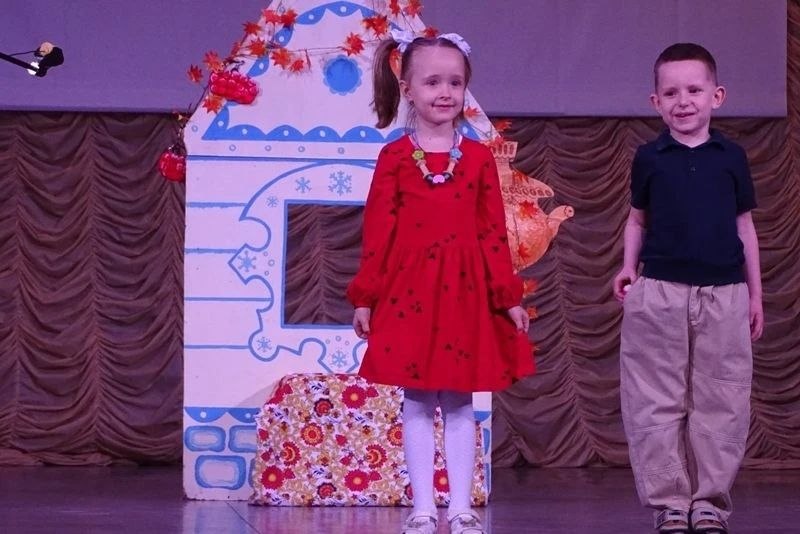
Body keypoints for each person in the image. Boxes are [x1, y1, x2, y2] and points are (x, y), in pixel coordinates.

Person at [346, 28, 534, 534]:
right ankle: (424, 508)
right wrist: (366, 297)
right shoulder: (393, 158)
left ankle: (462, 507)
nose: (444, 92)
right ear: (408, 89)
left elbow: (493, 233)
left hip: (464, 293)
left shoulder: (477, 159)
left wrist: (507, 296)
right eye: (432, 82)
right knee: (416, 398)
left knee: (459, 399)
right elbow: (378, 232)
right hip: (410, 292)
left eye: (454, 82)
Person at [612, 43, 763, 534]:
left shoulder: (731, 157)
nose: (684, 101)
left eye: (694, 90)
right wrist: (627, 268)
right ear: (656, 101)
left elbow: (744, 227)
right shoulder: (649, 157)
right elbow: (637, 220)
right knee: (655, 398)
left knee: (722, 399)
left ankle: (710, 502)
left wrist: (755, 295)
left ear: (716, 96)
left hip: (724, 293)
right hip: (659, 291)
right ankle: (669, 502)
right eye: (671, 92)